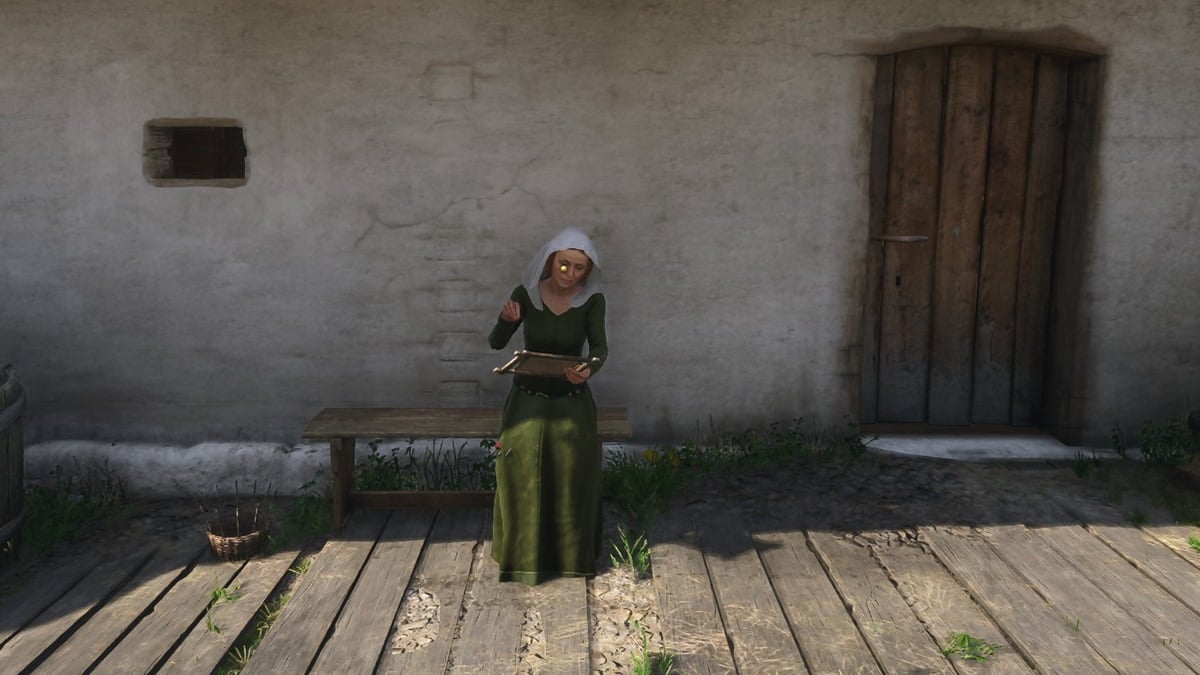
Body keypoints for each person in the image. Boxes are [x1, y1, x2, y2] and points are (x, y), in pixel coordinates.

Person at [487, 228, 608, 585]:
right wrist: (506, 321)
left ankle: (571, 559)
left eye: (579, 268)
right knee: (518, 471)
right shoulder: (524, 295)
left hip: (571, 400)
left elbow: (599, 348)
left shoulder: (592, 302)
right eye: (564, 264)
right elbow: (496, 343)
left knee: (573, 472)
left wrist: (588, 368)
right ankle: (521, 559)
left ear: (588, 272)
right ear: (551, 262)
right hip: (527, 398)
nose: (570, 273)